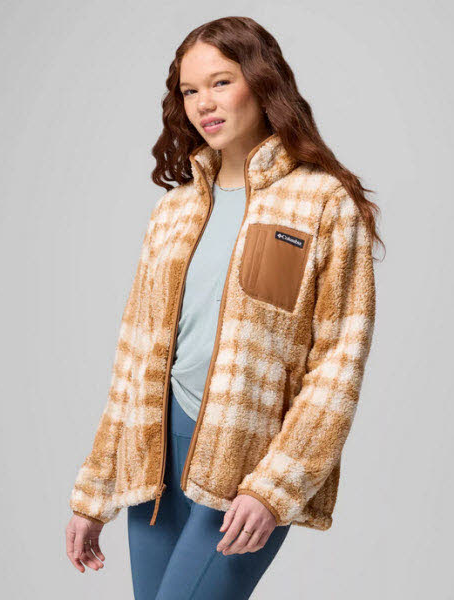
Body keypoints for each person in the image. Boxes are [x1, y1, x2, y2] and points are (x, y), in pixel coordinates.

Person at [65, 16, 383, 600]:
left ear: (262, 83)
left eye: (220, 82)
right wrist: (94, 493)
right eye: (190, 91)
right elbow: (134, 360)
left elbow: (338, 363)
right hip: (153, 461)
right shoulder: (173, 212)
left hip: (243, 464)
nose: (204, 104)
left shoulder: (322, 202)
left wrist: (274, 486)